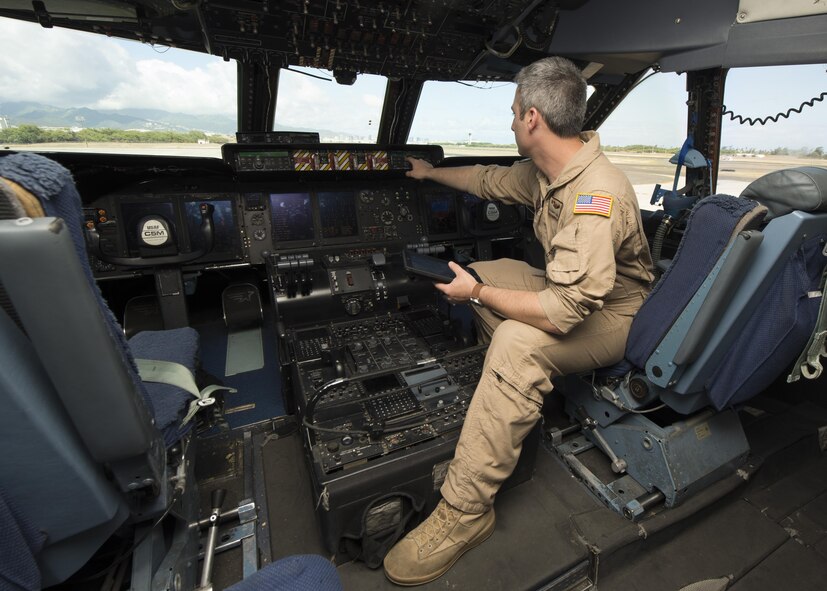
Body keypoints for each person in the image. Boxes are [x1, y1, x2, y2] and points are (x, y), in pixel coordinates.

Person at [382, 56, 654, 585]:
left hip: (618, 314)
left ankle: (465, 512)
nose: (509, 122)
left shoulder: (596, 194)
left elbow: (565, 310)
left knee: (514, 339)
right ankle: (514, 401)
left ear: (532, 118)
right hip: (571, 295)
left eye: (512, 112)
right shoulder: (549, 173)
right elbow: (487, 179)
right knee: (490, 270)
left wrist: (478, 293)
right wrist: (430, 171)